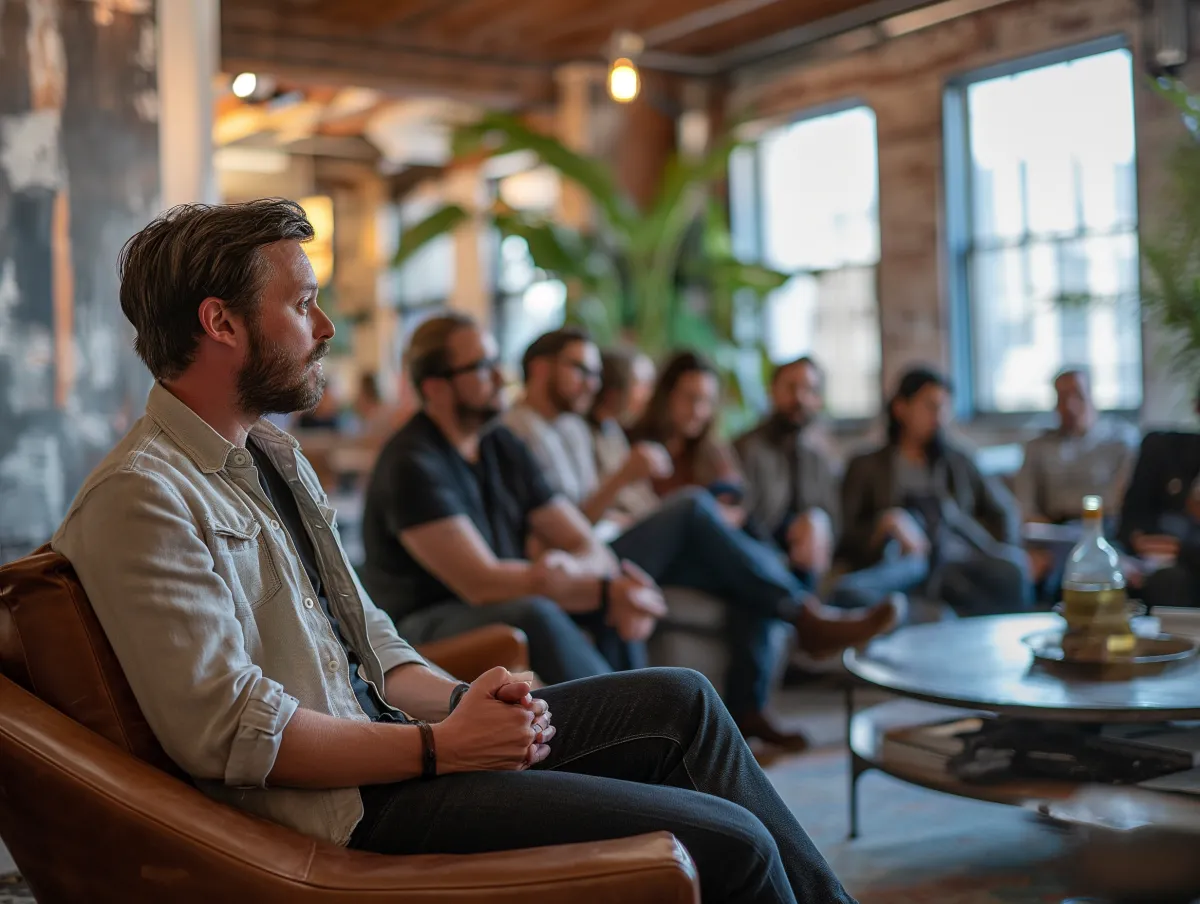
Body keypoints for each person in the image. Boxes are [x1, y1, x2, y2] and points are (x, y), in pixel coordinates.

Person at [49, 199, 856, 904]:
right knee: (732, 839)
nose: (327, 329)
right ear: (220, 322)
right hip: (353, 809)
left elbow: (373, 642)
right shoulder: (141, 497)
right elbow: (228, 733)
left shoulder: (272, 455)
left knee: (681, 700)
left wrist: (467, 699)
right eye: (303, 305)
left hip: (399, 745)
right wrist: (441, 747)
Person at [505, 328, 897, 748]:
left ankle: (757, 694)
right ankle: (806, 617)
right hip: (587, 557)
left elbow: (603, 510)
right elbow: (566, 529)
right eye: (581, 370)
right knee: (693, 507)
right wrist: (627, 483)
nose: (594, 383)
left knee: (742, 573)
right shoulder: (517, 433)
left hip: (613, 541)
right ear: (541, 370)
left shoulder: (574, 429)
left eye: (597, 373)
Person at [839, 367, 1032, 616]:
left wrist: (1001, 547)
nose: (939, 417)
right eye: (930, 406)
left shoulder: (958, 461)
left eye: (944, 408)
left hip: (957, 561)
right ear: (901, 408)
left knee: (1013, 570)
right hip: (901, 562)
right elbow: (845, 534)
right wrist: (885, 523)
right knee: (856, 593)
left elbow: (1004, 510)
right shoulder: (867, 466)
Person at [1015, 368, 1140, 597]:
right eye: (1062, 399)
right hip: (1053, 534)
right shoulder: (1037, 447)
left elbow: (1121, 502)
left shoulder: (1121, 442)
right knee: (1040, 569)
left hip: (1105, 531)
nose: (1070, 406)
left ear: (1093, 397)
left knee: (1090, 564)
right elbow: (1024, 506)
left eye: (1078, 396)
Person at [734, 357, 840, 589]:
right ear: (772, 391)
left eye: (809, 390)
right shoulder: (745, 448)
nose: (800, 398)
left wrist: (817, 520)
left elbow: (835, 520)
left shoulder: (818, 457)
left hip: (806, 556)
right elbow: (741, 517)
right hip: (760, 553)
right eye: (791, 388)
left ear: (818, 399)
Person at [627, 350, 748, 525]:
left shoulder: (712, 451)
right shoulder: (633, 443)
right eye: (690, 398)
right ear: (667, 395)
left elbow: (736, 510)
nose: (697, 411)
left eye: (706, 401)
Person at [1117, 388, 1200, 609]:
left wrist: (1182, 550)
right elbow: (1129, 520)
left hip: (1187, 564)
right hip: (1149, 560)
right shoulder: (1164, 450)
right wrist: (1138, 542)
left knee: (1170, 581)